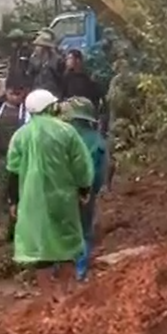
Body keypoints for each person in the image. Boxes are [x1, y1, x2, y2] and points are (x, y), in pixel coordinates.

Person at [5, 89, 93, 297]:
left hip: (32, 200)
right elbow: (81, 165)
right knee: (67, 245)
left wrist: (13, 201)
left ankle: (47, 297)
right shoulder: (67, 131)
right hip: (63, 198)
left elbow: (13, 170)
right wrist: (84, 188)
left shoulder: (20, 135)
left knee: (40, 248)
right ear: (51, 107)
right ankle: (65, 294)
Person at [63, 97, 110, 281]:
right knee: (84, 229)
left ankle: (60, 269)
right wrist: (93, 190)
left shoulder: (62, 136)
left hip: (61, 191)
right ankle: (79, 271)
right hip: (86, 191)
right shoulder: (97, 140)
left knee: (63, 228)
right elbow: (101, 171)